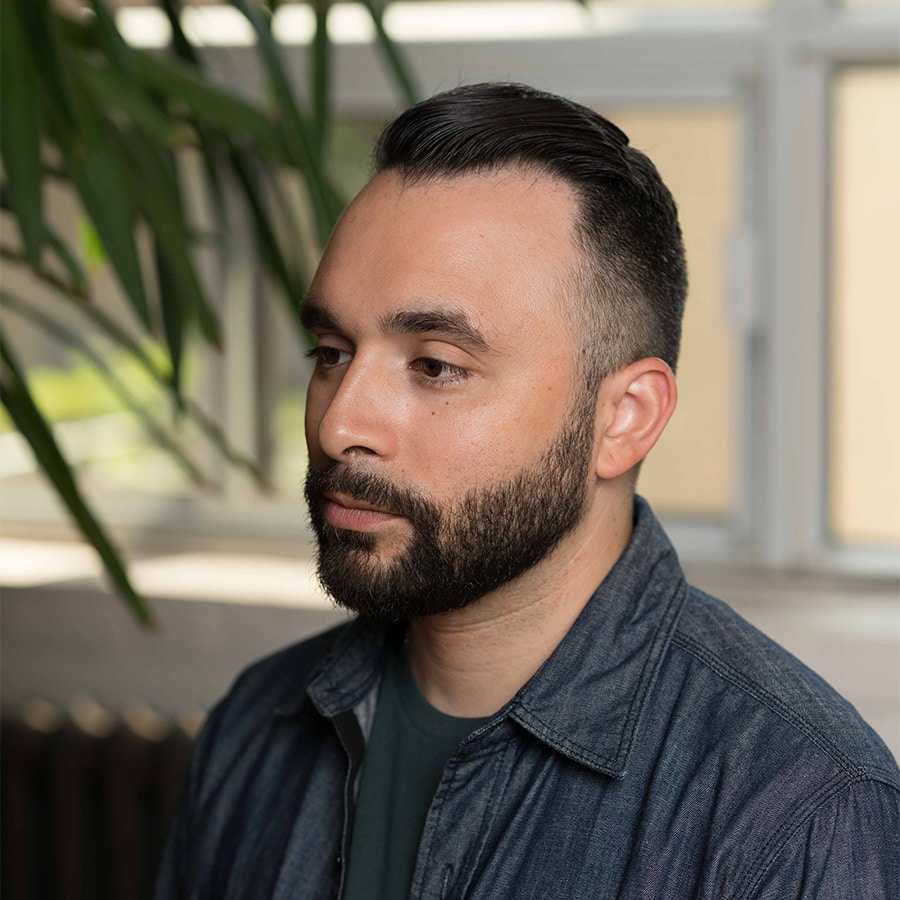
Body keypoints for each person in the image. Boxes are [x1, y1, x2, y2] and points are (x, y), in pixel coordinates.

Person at [155, 83, 899, 899]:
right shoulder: (255, 726)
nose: (340, 427)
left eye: (435, 366)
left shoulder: (799, 813)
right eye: (332, 351)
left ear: (623, 419)